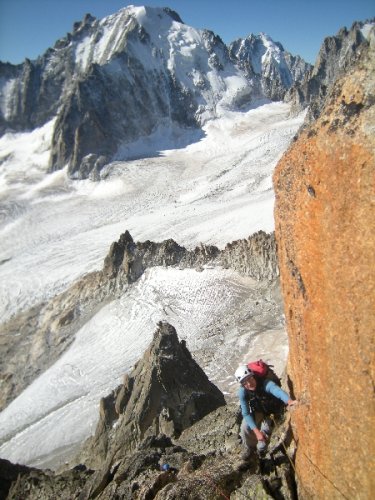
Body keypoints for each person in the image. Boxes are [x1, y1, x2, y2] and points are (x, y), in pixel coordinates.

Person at [235, 365, 297, 459]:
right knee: (245, 427)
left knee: (262, 443)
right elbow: (246, 413)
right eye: (245, 382)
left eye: (250, 379)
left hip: (272, 413)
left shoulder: (265, 383)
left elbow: (277, 391)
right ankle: (250, 449)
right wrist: (256, 432)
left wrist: (289, 401)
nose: (249, 383)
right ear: (242, 385)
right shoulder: (243, 392)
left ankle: (261, 453)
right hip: (259, 410)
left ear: (253, 376)